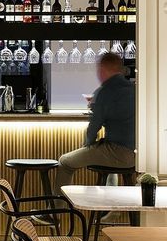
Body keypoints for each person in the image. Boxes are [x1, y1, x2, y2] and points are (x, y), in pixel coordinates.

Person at [56, 52, 135, 190]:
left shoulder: (105, 91)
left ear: (103, 70)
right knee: (107, 157)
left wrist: (88, 146)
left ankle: (58, 203)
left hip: (118, 153)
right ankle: (111, 201)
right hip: (136, 154)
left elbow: (93, 128)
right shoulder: (134, 89)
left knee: (65, 162)